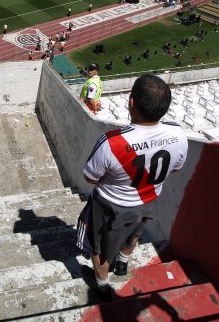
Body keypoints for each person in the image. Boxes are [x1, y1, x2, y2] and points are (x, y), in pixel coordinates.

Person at [77, 74, 188, 298]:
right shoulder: (178, 133)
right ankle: (122, 264)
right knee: (135, 232)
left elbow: (90, 177)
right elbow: (175, 168)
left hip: (112, 205)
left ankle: (103, 285)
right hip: (149, 199)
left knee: (98, 247)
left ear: (131, 102)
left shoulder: (112, 142)